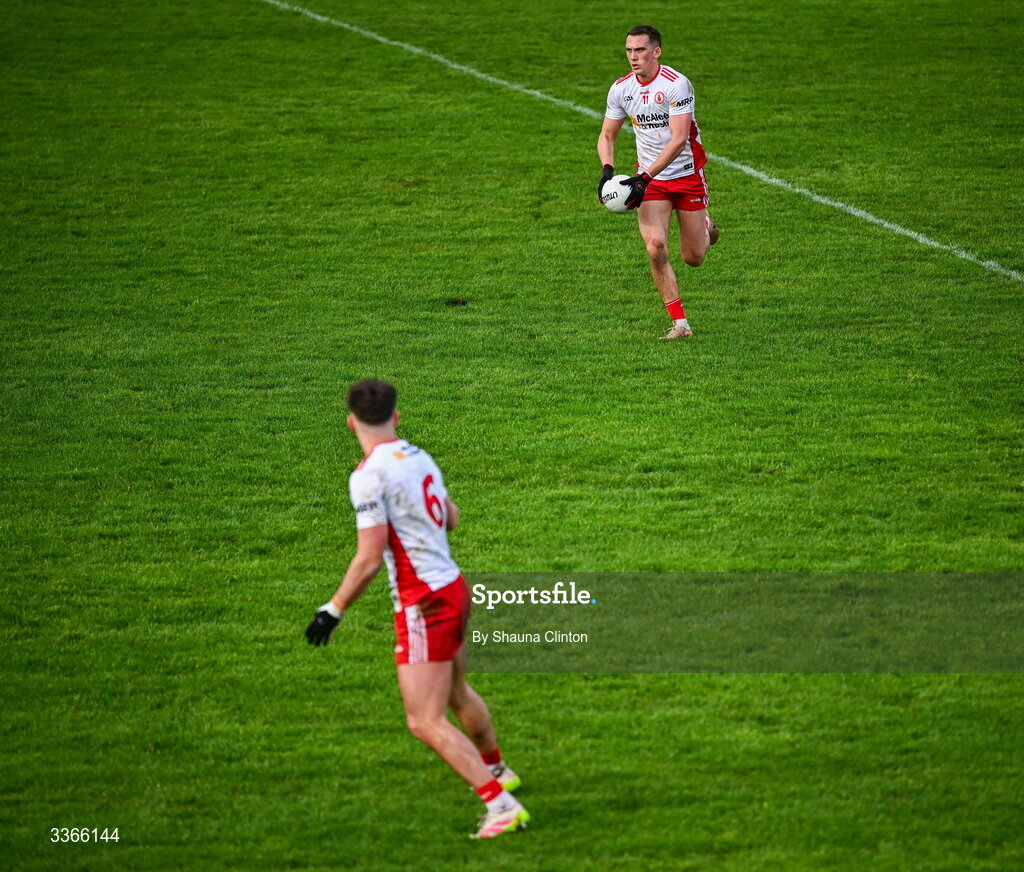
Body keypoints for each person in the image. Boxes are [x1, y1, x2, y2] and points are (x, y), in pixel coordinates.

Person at [304, 379, 529, 839]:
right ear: (397, 417)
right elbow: (450, 516)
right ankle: (499, 771)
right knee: (457, 693)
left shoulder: (368, 475)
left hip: (424, 602)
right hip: (452, 585)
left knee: (423, 720)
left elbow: (370, 556)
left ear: (350, 423)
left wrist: (334, 608)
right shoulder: (417, 455)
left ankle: (502, 805)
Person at [597, 24, 719, 340]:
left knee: (694, 257)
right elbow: (607, 134)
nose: (633, 57)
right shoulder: (621, 89)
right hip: (650, 182)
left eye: (640, 50)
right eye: (629, 50)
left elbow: (679, 139)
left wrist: (644, 177)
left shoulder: (677, 85)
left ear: (656, 51)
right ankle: (681, 324)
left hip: (686, 175)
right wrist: (607, 172)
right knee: (655, 247)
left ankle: (705, 226)